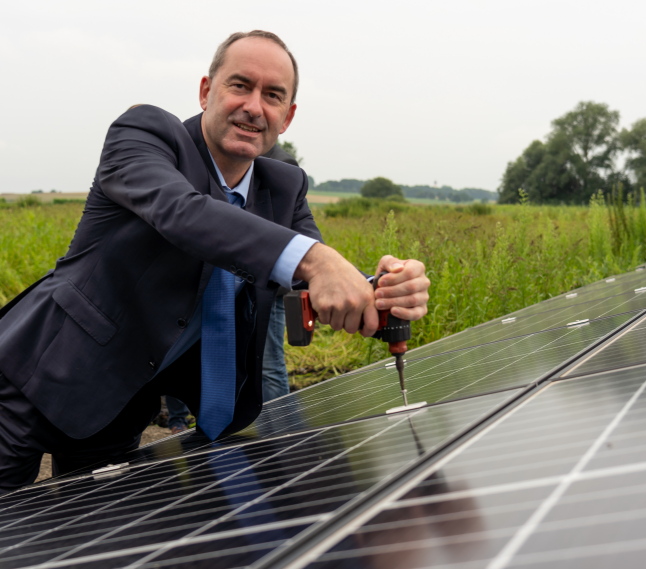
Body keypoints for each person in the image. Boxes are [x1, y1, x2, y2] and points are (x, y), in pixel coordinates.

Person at [0, 30, 430, 492]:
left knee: (79, 552)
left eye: (272, 96)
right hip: (27, 385)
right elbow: (182, 213)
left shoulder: (284, 189)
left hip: (117, 410)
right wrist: (317, 260)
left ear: (287, 117)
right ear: (207, 91)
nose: (253, 106)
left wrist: (376, 292)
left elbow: (306, 285)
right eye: (239, 85)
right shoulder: (145, 135)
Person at [166, 142, 297, 434]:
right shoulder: (198, 162)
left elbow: (287, 236)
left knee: (268, 363)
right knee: (180, 352)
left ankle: (280, 431)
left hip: (265, 290)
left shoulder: (283, 169)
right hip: (211, 284)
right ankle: (179, 420)